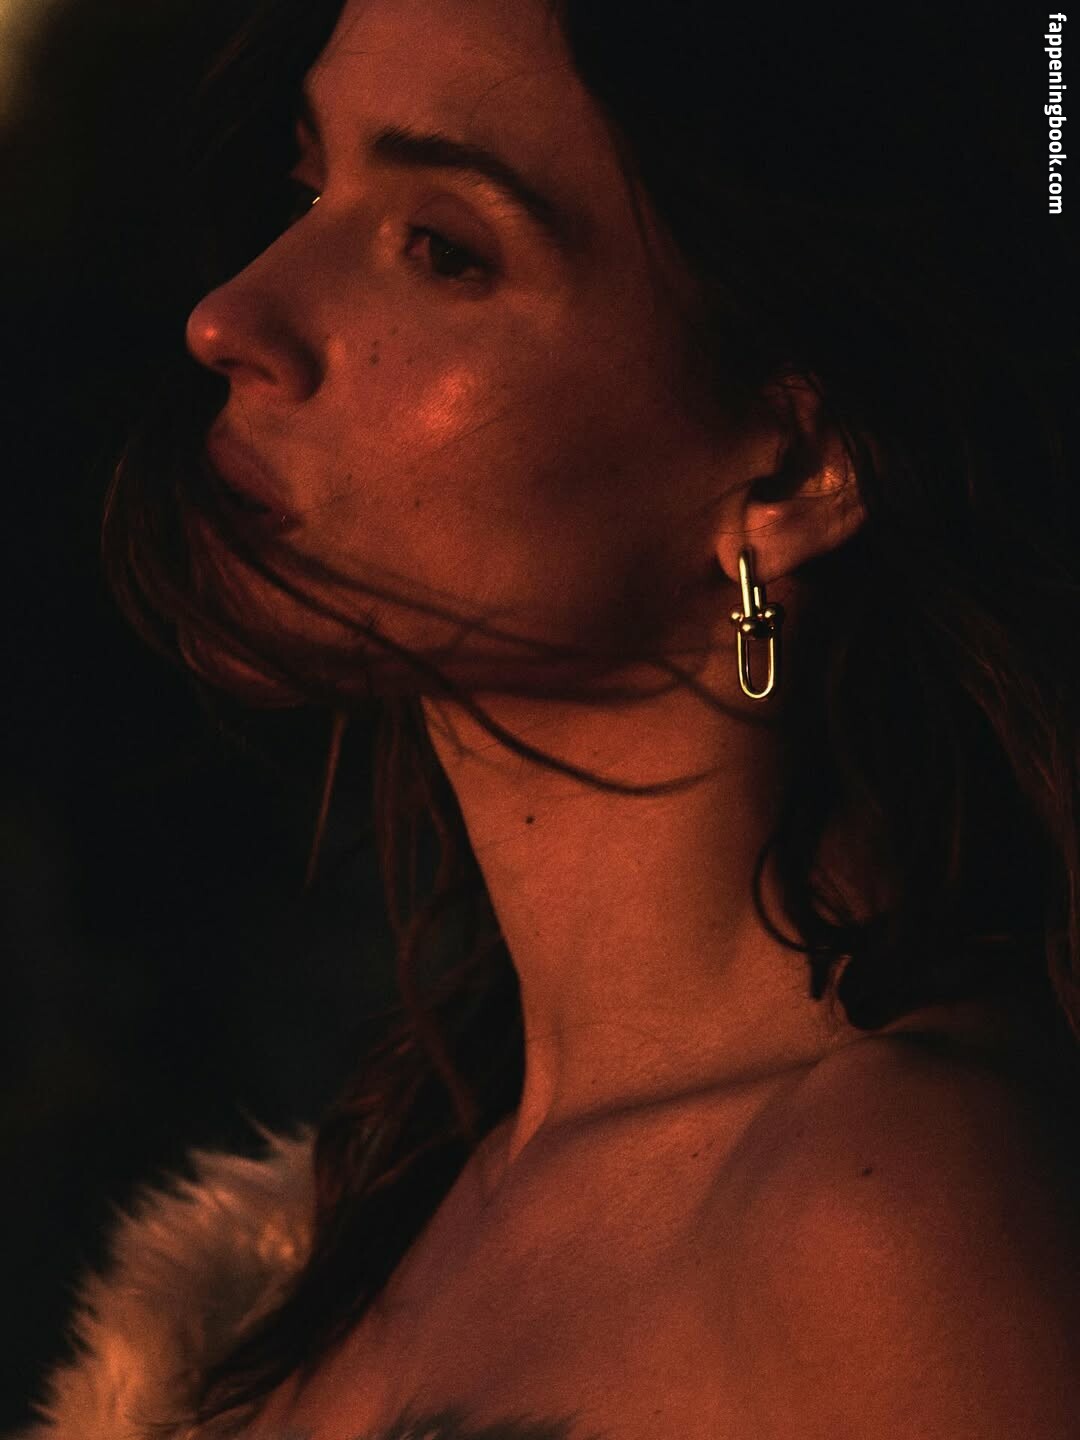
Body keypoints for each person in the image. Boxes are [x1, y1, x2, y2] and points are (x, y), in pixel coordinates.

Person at [15, 0, 1080, 1437]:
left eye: (444, 249)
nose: (233, 316)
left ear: (791, 474)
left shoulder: (889, 1224)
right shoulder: (379, 1198)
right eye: (311, 185)